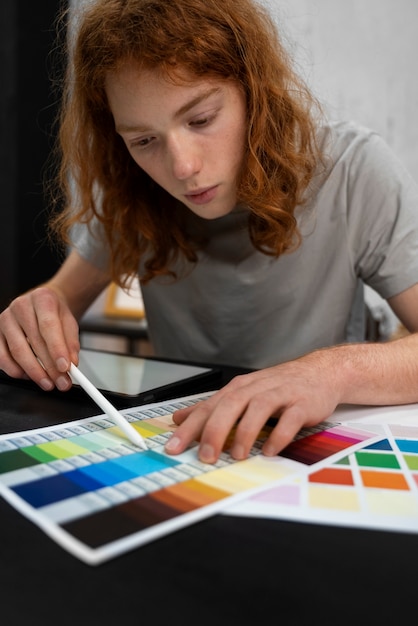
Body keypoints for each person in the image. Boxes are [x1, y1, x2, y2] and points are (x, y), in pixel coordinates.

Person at [1, 0, 418, 465]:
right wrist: (34, 317)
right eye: (144, 141)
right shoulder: (134, 189)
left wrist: (330, 371)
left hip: (312, 453)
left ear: (254, 92)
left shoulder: (352, 170)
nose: (182, 168)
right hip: (189, 449)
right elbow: (56, 301)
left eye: (200, 120)